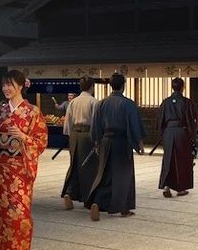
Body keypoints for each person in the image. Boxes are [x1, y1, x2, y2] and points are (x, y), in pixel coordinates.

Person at [0, 69, 48, 250]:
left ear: (21, 86)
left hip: (21, 170)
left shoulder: (32, 112)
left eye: (10, 84)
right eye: (4, 85)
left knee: (19, 216)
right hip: (2, 171)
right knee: (4, 217)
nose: (6, 88)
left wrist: (24, 137)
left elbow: (40, 142)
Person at [86, 72, 145, 220]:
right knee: (124, 176)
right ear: (123, 86)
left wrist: (97, 142)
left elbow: (95, 126)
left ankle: (97, 203)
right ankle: (124, 209)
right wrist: (139, 143)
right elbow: (134, 126)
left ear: (111, 85)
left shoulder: (101, 103)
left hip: (106, 141)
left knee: (105, 174)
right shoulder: (128, 104)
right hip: (122, 143)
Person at [61, 76, 98, 210]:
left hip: (75, 135)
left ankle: (69, 193)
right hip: (87, 135)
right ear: (91, 87)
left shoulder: (73, 102)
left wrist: (70, 136)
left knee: (75, 164)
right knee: (89, 167)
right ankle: (88, 198)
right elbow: (95, 122)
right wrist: (96, 139)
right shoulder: (93, 102)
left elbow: (68, 121)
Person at [157, 77, 197, 198]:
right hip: (181, 132)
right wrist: (192, 134)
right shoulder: (187, 102)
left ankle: (166, 186)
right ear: (182, 87)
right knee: (182, 160)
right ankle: (181, 188)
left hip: (168, 132)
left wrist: (163, 133)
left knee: (168, 159)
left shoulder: (165, 102)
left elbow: (160, 120)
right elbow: (192, 120)